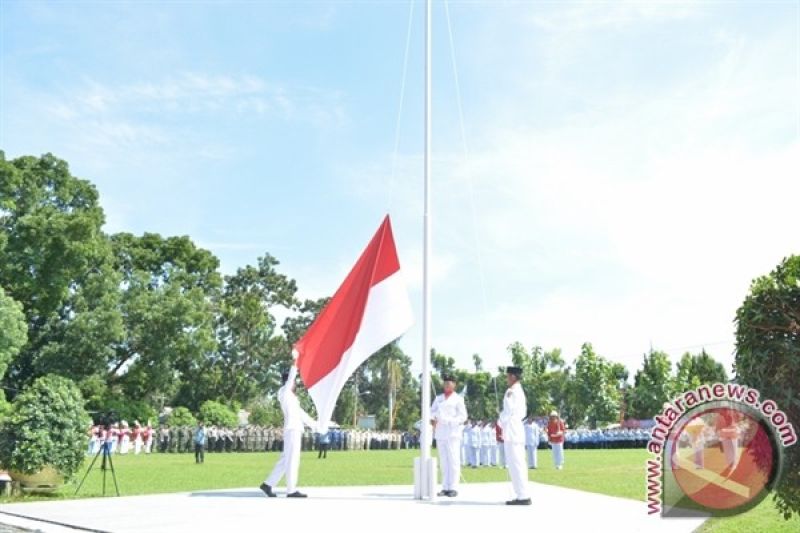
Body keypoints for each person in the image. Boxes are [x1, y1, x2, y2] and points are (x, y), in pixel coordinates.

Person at [260, 356, 317, 499]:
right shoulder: (284, 393)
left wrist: (317, 426)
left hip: (294, 429)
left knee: (286, 459)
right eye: (294, 383)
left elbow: (302, 415)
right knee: (292, 459)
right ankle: (291, 490)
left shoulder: (292, 398)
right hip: (292, 429)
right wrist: (295, 363)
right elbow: (291, 378)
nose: (296, 385)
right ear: (288, 383)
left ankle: (268, 484)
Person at [430, 374, 468, 497]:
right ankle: (445, 487)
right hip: (441, 432)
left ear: (454, 384)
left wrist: (450, 420)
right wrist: (435, 417)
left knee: (453, 460)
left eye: (450, 382)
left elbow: (463, 416)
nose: (447, 384)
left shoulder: (458, 399)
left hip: (452, 433)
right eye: (445, 382)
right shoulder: (438, 398)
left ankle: (453, 487)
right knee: (443, 461)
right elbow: (431, 412)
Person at [499, 366, 530, 505]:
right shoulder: (519, 390)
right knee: (517, 463)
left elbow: (508, 412)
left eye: (507, 376)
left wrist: (499, 421)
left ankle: (522, 495)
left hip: (512, 429)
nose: (506, 379)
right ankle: (522, 494)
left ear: (512, 376)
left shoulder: (511, 391)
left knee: (515, 464)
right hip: (516, 429)